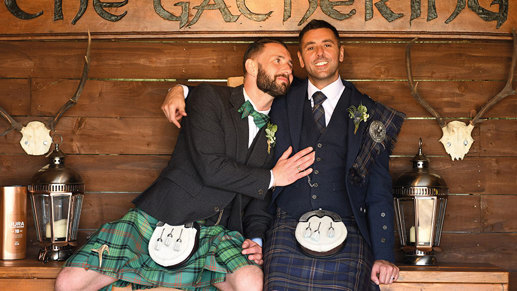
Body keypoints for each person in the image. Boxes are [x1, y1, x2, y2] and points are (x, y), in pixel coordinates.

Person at [54, 38, 315, 291]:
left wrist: (256, 239)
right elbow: (211, 167)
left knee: (250, 282)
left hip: (219, 229)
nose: (287, 69)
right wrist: (271, 177)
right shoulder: (209, 97)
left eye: (291, 64)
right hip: (163, 214)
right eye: (278, 60)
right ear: (251, 66)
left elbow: (261, 197)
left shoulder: (279, 125)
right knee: (70, 282)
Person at [162, 20, 405, 290]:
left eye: (327, 45)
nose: (320, 53)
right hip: (286, 225)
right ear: (300, 59)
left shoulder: (370, 112)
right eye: (310, 47)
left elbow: (379, 188)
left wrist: (383, 255)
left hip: (347, 229)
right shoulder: (280, 95)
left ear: (341, 52)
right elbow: (238, 98)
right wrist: (183, 91)